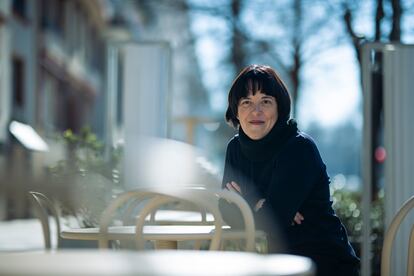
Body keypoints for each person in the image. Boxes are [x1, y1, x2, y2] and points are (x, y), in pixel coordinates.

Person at [220, 64, 360, 276]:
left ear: (279, 107)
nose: (256, 111)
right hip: (275, 263)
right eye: (246, 102)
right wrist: (264, 205)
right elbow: (226, 210)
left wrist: (247, 199)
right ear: (236, 111)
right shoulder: (235, 149)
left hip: (322, 263)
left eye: (265, 101)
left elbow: (272, 219)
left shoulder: (298, 147)